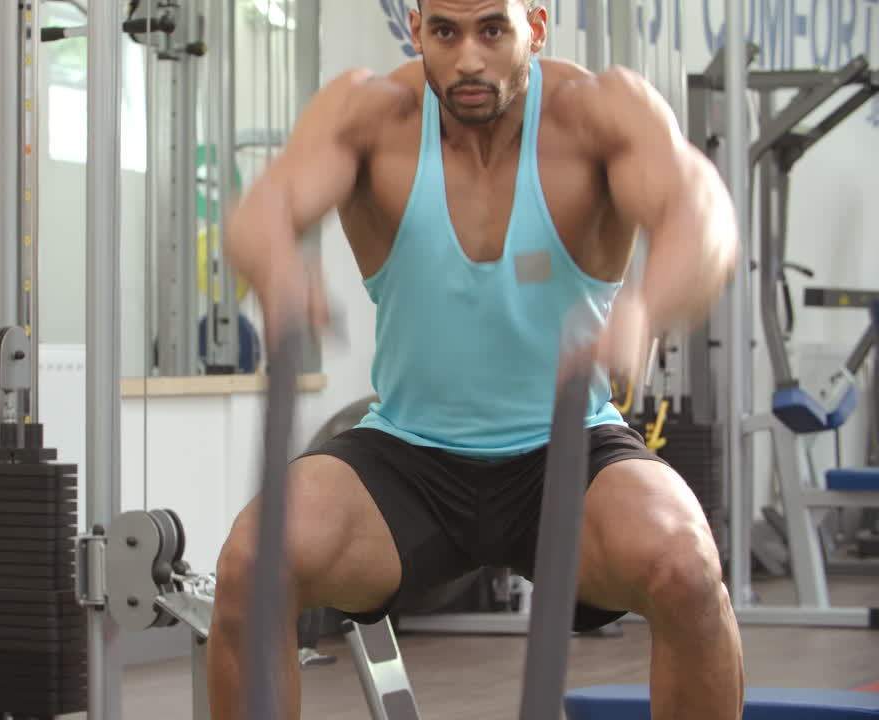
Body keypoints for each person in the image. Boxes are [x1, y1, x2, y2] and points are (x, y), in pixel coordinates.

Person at [211, 1, 745, 718]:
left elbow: (702, 213)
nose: (467, 58)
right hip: (409, 456)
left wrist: (646, 304)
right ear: (417, 30)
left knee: (685, 565)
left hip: (568, 450)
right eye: (446, 32)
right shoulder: (371, 116)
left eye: (492, 29)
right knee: (251, 566)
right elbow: (265, 206)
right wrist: (277, 265)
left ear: (537, 25)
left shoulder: (597, 114)